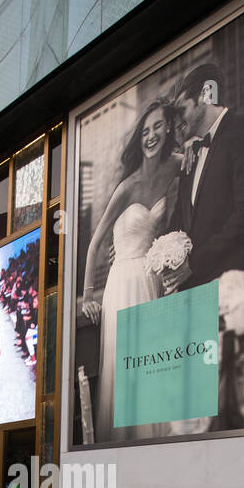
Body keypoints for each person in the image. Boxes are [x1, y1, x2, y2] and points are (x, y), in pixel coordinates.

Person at [82, 99, 182, 443]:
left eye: (157, 127)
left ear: (168, 128)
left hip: (152, 280)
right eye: (145, 130)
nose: (151, 135)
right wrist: (87, 296)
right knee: (126, 370)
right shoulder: (128, 186)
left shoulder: (177, 166)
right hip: (123, 282)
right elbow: (95, 244)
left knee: (153, 365)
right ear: (139, 138)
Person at [164, 62, 244, 291]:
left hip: (235, 290)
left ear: (205, 94)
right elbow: (179, 222)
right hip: (195, 295)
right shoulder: (192, 153)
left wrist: (194, 263)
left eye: (182, 110)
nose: (178, 122)